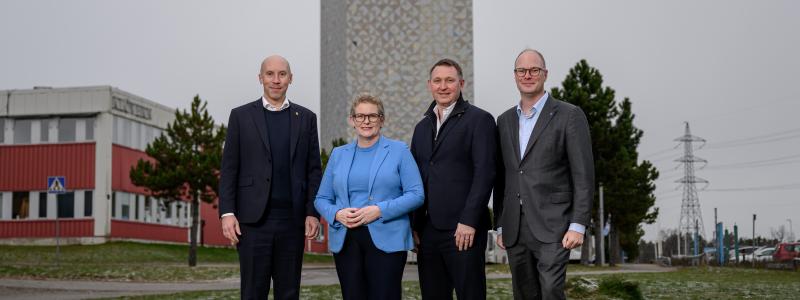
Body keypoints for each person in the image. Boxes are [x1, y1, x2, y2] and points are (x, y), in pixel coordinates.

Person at [219, 55, 322, 300]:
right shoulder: (241, 116)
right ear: (260, 78)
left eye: (282, 74)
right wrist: (227, 212)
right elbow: (229, 168)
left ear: (290, 78)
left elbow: (313, 170)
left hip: (293, 221)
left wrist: (312, 212)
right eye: (270, 74)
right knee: (253, 292)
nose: (276, 80)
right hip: (252, 222)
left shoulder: (306, 118)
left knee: (289, 292)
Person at [494, 49, 595, 300]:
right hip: (515, 227)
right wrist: (499, 225)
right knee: (524, 293)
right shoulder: (504, 120)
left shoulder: (569, 115)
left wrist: (578, 223)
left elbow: (583, 174)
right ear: (515, 75)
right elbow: (502, 176)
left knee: (550, 290)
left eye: (534, 70)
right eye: (522, 70)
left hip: (555, 225)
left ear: (545, 74)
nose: (528, 75)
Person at [315, 94, 424, 300]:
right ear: (352, 120)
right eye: (360, 116)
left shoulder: (399, 150)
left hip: (387, 236)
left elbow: (416, 194)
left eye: (372, 116)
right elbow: (321, 198)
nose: (366, 121)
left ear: (381, 120)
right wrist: (337, 214)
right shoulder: (338, 154)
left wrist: (379, 210)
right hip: (347, 240)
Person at [410, 58, 497, 300]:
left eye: (450, 80)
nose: (443, 86)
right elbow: (417, 179)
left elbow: (485, 173)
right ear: (429, 85)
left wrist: (469, 220)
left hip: (464, 230)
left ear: (461, 83)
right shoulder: (421, 128)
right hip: (428, 232)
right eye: (437, 81)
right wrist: (415, 226)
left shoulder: (479, 120)